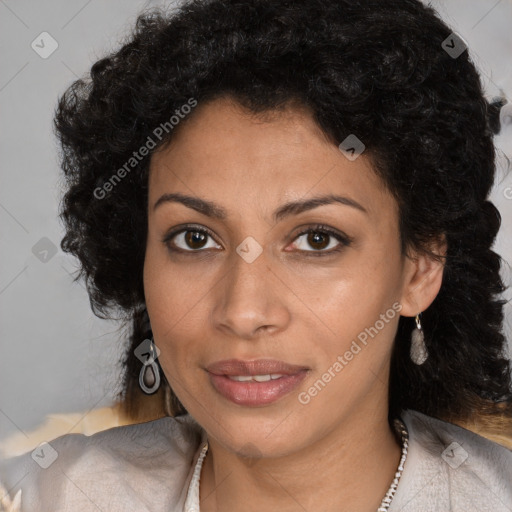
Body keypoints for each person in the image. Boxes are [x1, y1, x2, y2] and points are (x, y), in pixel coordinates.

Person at [1, 0, 512, 510]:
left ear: (419, 269)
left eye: (317, 239)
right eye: (195, 239)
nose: (244, 312)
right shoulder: (44, 494)